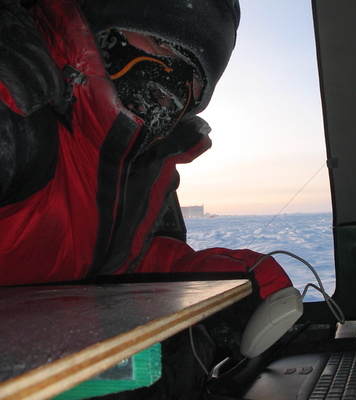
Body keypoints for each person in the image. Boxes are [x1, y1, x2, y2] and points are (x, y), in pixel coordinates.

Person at [0, 0, 293, 397]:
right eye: (163, 45)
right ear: (101, 27)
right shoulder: (18, 101)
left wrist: (224, 282)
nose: (174, 83)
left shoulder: (142, 163)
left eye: (194, 80)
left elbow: (119, 265)